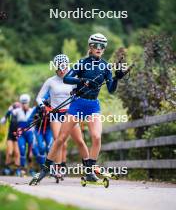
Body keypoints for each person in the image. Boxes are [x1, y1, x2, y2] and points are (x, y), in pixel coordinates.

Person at [30, 34, 125, 185]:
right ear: (90, 47)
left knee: (96, 137)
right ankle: (45, 169)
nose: (99, 49)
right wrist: (82, 80)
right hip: (77, 105)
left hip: (93, 106)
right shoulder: (82, 63)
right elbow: (67, 78)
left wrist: (117, 78)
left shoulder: (105, 66)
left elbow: (111, 89)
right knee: (61, 139)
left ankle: (90, 171)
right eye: (96, 45)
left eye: (102, 46)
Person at [36, 54, 89, 173]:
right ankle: (58, 168)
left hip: (71, 114)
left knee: (79, 141)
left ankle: (88, 167)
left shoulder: (74, 80)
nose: (62, 71)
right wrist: (44, 107)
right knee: (58, 140)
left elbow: (84, 92)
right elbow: (39, 98)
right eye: (59, 68)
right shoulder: (50, 81)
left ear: (67, 67)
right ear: (55, 68)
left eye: (64, 68)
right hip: (56, 114)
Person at [13, 94, 36, 176]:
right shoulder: (16, 111)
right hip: (21, 133)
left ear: (28, 103)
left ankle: (31, 169)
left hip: (29, 133)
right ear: (20, 103)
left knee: (30, 153)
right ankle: (22, 169)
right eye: (22, 103)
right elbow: (10, 111)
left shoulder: (32, 110)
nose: (24, 104)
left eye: (25, 103)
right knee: (22, 151)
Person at [0, 102, 21, 175]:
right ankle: (7, 167)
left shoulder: (21, 113)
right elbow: (2, 121)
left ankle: (17, 169)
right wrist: (8, 111)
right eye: (16, 106)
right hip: (10, 135)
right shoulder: (10, 113)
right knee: (9, 152)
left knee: (17, 153)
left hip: (18, 135)